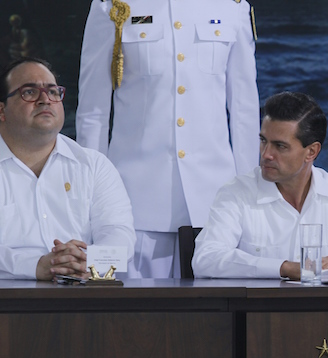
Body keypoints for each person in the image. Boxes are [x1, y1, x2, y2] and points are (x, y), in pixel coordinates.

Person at [76, 0, 260, 278]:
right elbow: (93, 113)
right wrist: (92, 199)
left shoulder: (230, 7)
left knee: (215, 315)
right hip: (136, 205)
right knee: (136, 316)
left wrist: (249, 197)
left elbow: (244, 111)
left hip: (215, 204)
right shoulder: (113, 7)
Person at [0, 57, 135, 280]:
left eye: (53, 92)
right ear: (1, 110)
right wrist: (37, 266)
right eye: (29, 92)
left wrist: (91, 262)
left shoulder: (95, 166)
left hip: (86, 297)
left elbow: (121, 237)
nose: (45, 100)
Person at [192, 92, 328, 279]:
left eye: (280, 146)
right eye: (263, 141)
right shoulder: (236, 192)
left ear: (312, 152)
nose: (266, 154)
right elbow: (206, 259)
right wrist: (287, 268)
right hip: (259, 321)